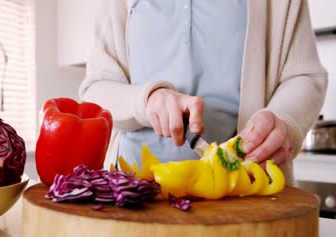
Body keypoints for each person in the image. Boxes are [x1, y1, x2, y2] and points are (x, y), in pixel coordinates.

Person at [79, 0, 328, 183]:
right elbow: (96, 89)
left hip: (246, 190)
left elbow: (303, 76)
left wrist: (283, 121)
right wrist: (147, 100)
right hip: (132, 189)